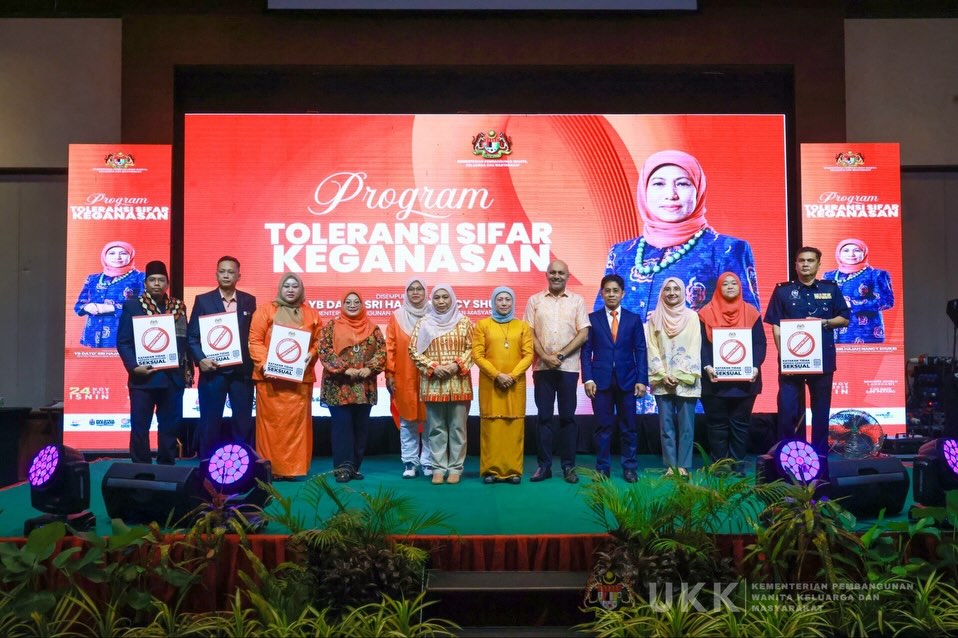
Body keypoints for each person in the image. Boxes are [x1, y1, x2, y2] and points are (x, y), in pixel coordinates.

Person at [600, 150, 760, 319]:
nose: (671, 195)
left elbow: (746, 323)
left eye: (683, 184)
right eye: (658, 184)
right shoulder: (621, 253)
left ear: (698, 190)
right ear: (643, 191)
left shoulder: (726, 249)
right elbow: (602, 321)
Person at [766, 247, 850, 455]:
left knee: (821, 413)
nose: (805, 264)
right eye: (801, 260)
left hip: (822, 358)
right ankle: (788, 455)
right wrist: (784, 355)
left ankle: (819, 456)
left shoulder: (830, 289)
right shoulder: (782, 291)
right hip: (791, 361)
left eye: (810, 260)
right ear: (795, 264)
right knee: (787, 411)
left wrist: (824, 322)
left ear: (818, 264)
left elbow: (844, 318)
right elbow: (776, 325)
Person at [248, 272, 322, 481]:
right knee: (270, 428)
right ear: (280, 288)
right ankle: (270, 469)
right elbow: (255, 341)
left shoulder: (312, 314)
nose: (290, 290)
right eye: (286, 286)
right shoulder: (264, 311)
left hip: (299, 382)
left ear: (301, 289)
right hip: (269, 381)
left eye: (295, 286)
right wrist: (265, 365)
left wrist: (311, 353)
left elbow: (319, 341)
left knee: (297, 428)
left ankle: (292, 470)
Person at [116, 260, 191, 465]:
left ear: (167, 283)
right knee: (140, 427)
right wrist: (134, 367)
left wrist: (187, 368)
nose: (157, 284)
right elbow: (123, 342)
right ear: (146, 283)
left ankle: (166, 468)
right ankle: (140, 470)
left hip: (172, 379)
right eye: (152, 280)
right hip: (143, 379)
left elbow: (185, 340)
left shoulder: (178, 306)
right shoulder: (133, 306)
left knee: (170, 427)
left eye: (161, 280)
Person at [523, 260, 590, 484]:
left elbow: (583, 334)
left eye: (561, 272)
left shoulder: (577, 301)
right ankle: (544, 466)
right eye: (553, 272)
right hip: (542, 368)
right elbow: (528, 332)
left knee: (568, 418)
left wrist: (559, 355)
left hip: (568, 369)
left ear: (568, 276)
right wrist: (544, 356)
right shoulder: (535, 300)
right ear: (546, 275)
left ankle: (569, 466)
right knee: (543, 418)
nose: (557, 276)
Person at [187, 256, 257, 458]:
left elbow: (254, 335)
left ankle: (243, 466)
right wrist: (201, 360)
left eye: (231, 272)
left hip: (241, 374)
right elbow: (192, 337)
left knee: (243, 423)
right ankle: (207, 467)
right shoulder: (203, 300)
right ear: (216, 274)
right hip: (212, 373)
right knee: (209, 423)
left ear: (239, 276)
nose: (226, 275)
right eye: (222, 271)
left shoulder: (249, 301)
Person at [699, 272, 767, 477]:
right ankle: (719, 465)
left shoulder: (751, 312)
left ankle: (738, 465)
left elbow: (759, 343)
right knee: (717, 424)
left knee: (740, 424)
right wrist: (707, 366)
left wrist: (755, 366)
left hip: (745, 381)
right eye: (725, 284)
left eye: (734, 283)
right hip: (714, 380)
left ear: (740, 287)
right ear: (718, 288)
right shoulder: (704, 314)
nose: (729, 286)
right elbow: (700, 345)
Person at [581, 274, 648, 482]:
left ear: (622, 293)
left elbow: (641, 350)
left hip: (628, 381)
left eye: (615, 290)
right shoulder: (593, 319)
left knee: (629, 427)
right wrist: (588, 379)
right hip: (600, 382)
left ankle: (629, 468)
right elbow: (586, 352)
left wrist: (642, 380)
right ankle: (602, 468)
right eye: (607, 290)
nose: (611, 294)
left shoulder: (633, 319)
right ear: (601, 293)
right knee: (603, 427)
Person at [409, 284, 474, 485]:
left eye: (445, 297)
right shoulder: (424, 323)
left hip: (458, 381)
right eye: (437, 297)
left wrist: (456, 365)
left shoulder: (464, 322)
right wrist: (434, 367)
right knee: (435, 428)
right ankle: (438, 468)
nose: (441, 301)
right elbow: (413, 351)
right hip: (433, 382)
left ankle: (455, 468)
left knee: (457, 428)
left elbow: (473, 349)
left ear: (452, 299)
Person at [318, 291, 386, 483]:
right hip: (339, 386)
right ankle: (342, 467)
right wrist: (344, 369)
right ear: (342, 304)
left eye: (357, 302)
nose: (353, 304)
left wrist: (369, 368)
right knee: (342, 427)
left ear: (362, 304)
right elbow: (324, 350)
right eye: (348, 301)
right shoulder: (331, 326)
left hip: (364, 386)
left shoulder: (373, 329)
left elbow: (382, 352)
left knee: (360, 428)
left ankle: (354, 467)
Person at [473, 286, 534, 484]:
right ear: (493, 302)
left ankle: (513, 471)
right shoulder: (482, 325)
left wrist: (513, 375)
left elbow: (529, 355)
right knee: (492, 426)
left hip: (515, 385)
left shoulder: (522, 326)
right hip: (491, 384)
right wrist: (497, 375)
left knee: (513, 426)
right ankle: (490, 471)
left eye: (508, 299)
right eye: (500, 300)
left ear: (513, 302)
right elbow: (477, 355)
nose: (504, 303)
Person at [646, 277, 701, 477]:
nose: (671, 293)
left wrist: (679, 374)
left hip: (686, 378)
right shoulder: (654, 319)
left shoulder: (692, 317)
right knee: (666, 425)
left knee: (687, 426)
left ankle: (683, 465)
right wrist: (662, 374)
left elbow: (695, 347)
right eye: (667, 289)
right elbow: (651, 348)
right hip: (662, 379)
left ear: (683, 292)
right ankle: (670, 465)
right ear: (662, 293)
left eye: (676, 289)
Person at [385, 278, 433, 479]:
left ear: (425, 292)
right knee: (407, 421)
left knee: (432, 421)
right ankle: (410, 463)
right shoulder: (397, 316)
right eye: (411, 289)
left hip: (432, 377)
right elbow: (391, 346)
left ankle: (429, 463)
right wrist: (389, 372)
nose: (415, 293)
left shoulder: (435, 314)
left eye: (419, 289)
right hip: (404, 376)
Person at [822, 238, 894, 344]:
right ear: (839, 253)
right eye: (846, 250)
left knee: (863, 360)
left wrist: (851, 304)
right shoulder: (829, 275)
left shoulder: (876, 274)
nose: (851, 254)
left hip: (865, 332)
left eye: (857, 250)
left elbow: (886, 301)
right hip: (833, 330)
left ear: (864, 252)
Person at [75, 240, 144, 348]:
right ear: (104, 256)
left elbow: (144, 307)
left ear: (130, 255)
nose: (117, 257)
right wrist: (88, 307)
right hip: (92, 337)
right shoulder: (93, 278)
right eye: (112, 253)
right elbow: (79, 305)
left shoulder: (140, 278)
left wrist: (111, 308)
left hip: (123, 337)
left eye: (123, 253)